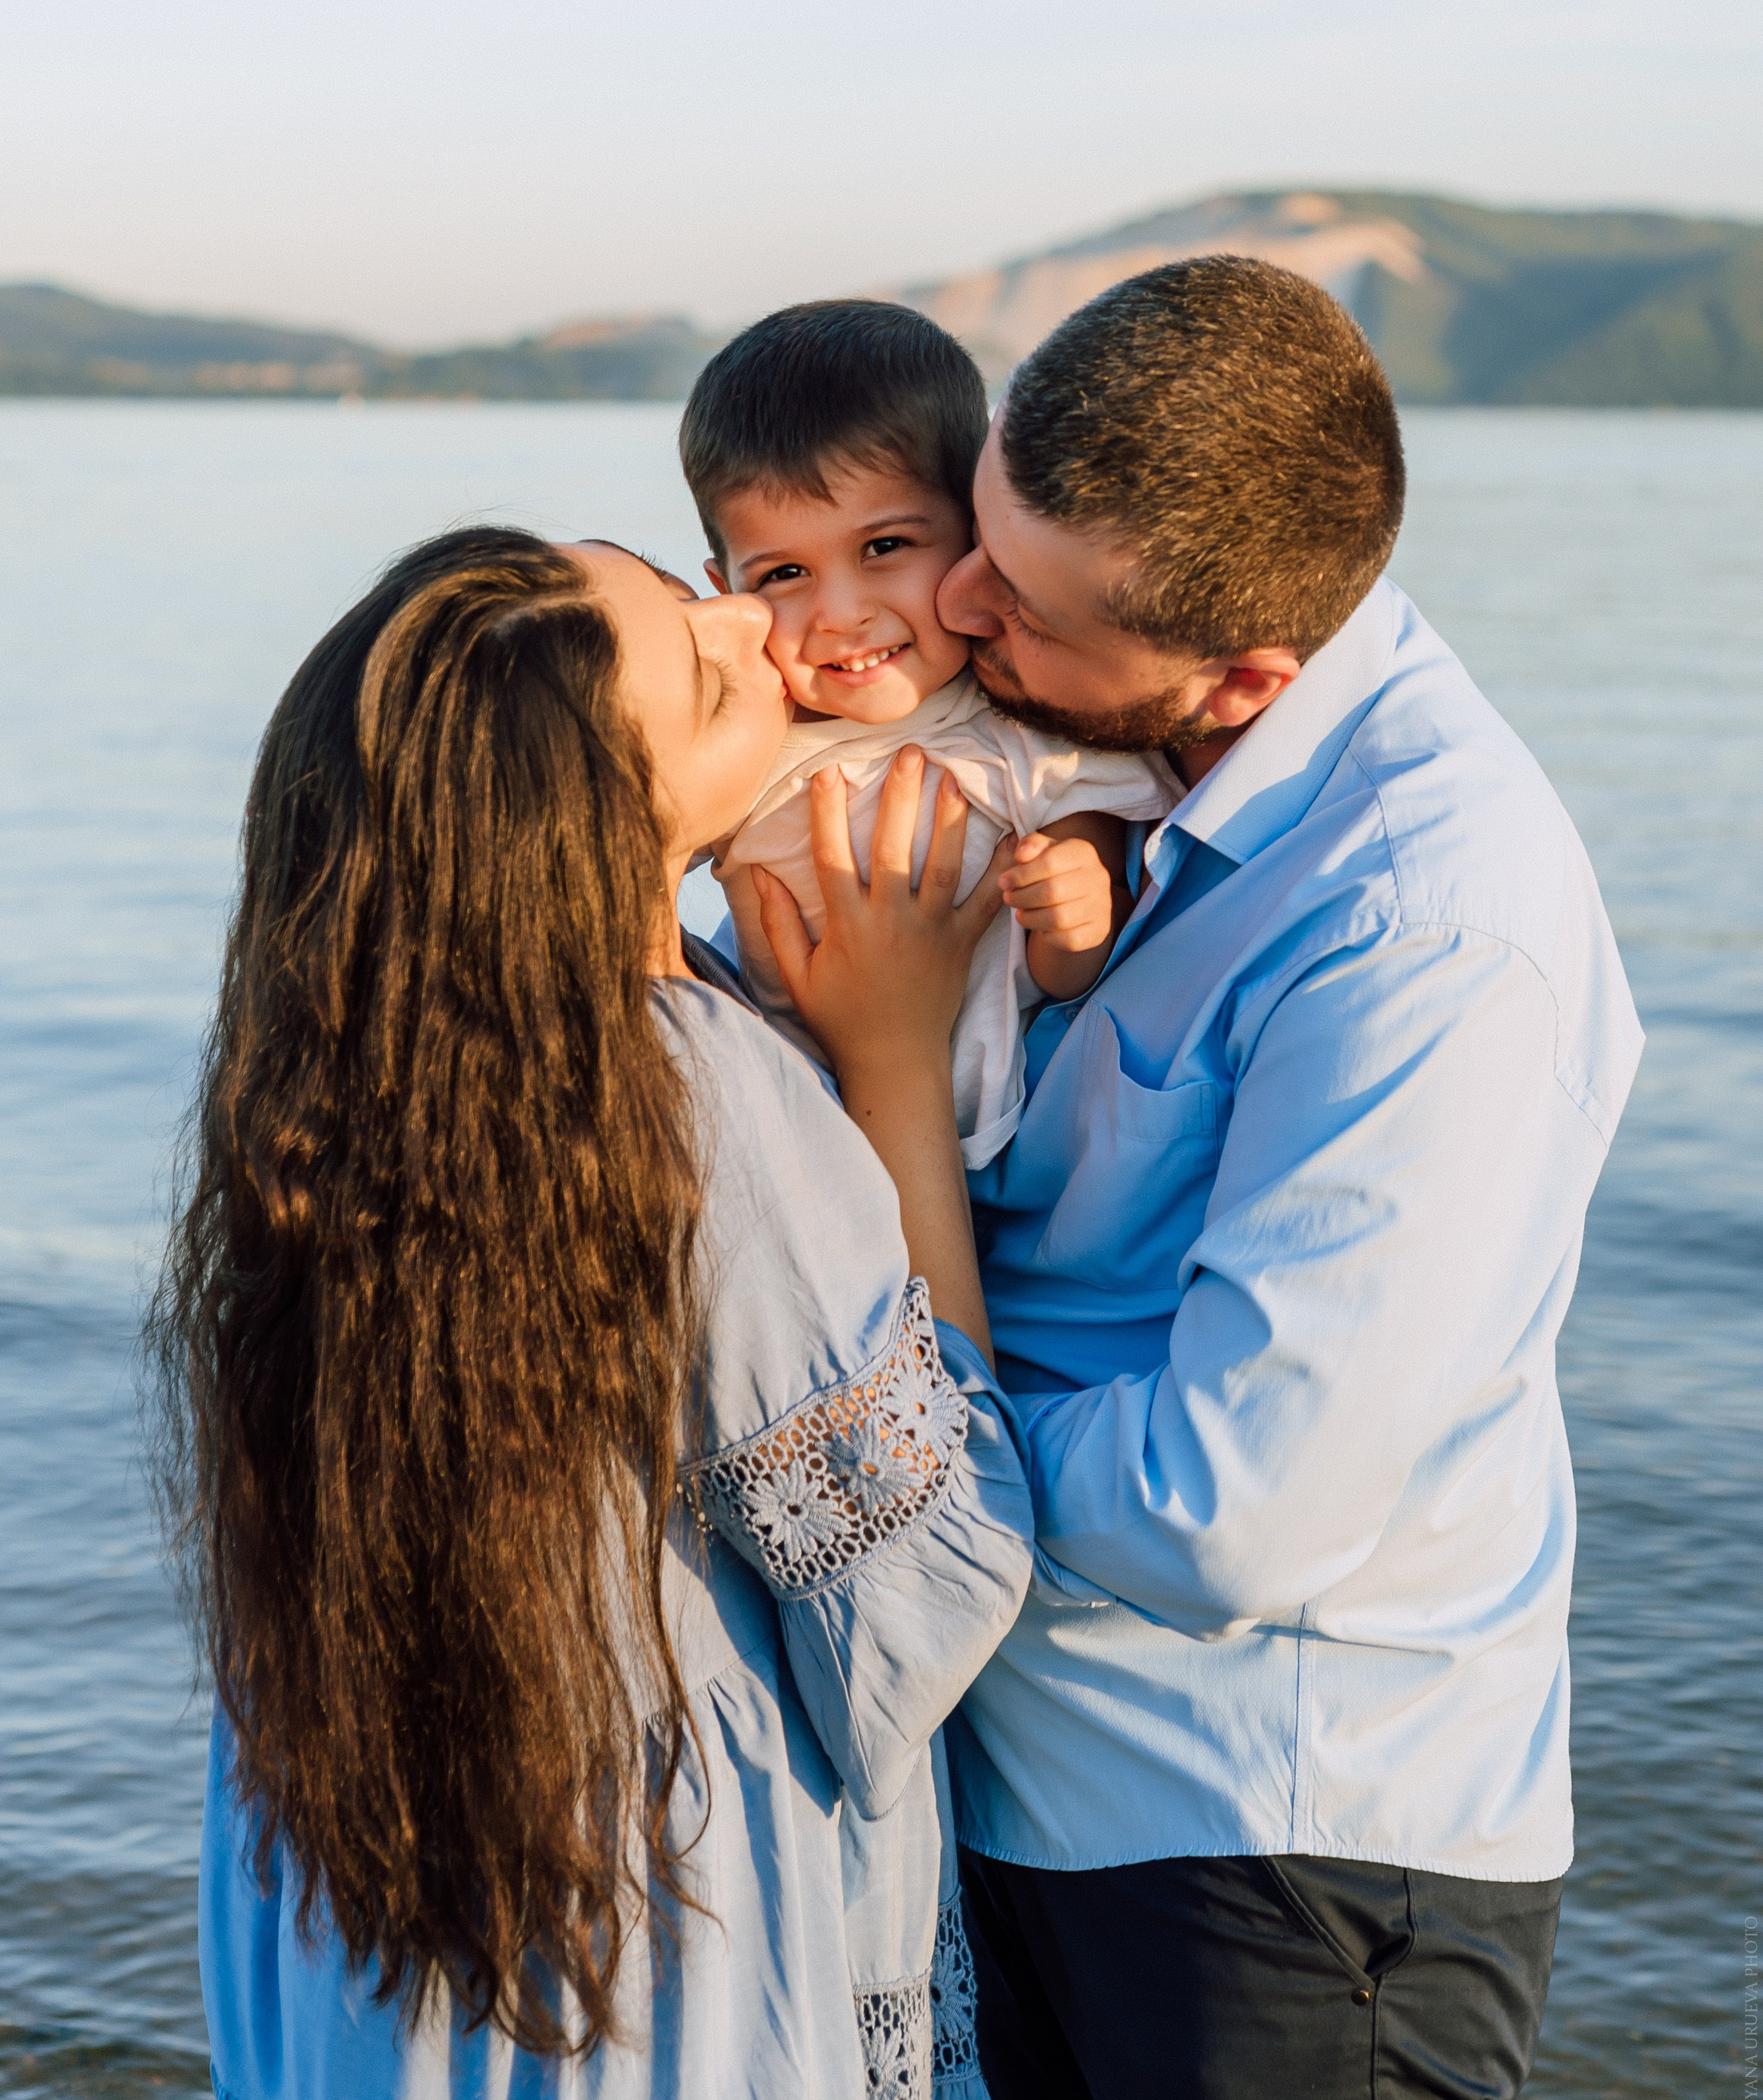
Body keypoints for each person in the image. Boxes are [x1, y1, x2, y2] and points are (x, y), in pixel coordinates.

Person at [149, 525, 1035, 2099]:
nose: (757, 631)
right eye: (707, 672)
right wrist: (896, 1065)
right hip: (647, 1973)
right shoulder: (693, 1086)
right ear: (598, 828)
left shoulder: (341, 1074)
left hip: (389, 1939)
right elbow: (924, 1597)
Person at [928, 260, 1645, 2099]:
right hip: (1042, 1799)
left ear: (1246, 675)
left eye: (1011, 599)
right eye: (974, 531)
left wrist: (868, 1432)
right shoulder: (1113, 757)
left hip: (1286, 1876)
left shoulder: (1426, 933)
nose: (949, 603)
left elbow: (1229, 1507)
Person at [678, 300, 1178, 1166]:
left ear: (975, 528)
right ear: (725, 590)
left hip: (964, 1146)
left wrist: (1076, 913)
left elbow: (1069, 969)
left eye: (885, 546)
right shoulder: (742, 732)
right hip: (764, 1136)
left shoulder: (1027, 728)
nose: (841, 613)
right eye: (785, 573)